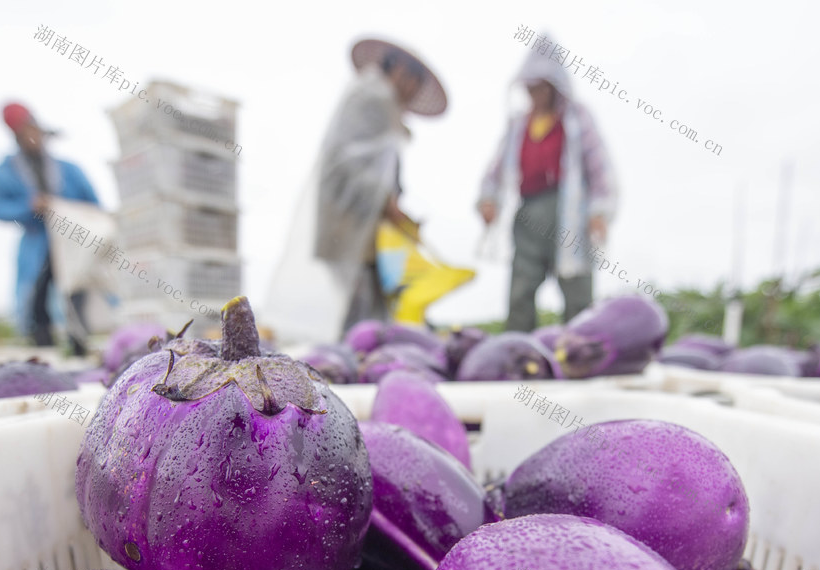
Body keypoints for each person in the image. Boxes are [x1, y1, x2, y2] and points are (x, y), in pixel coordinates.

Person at [262, 38, 447, 344]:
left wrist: (392, 205)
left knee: (374, 304)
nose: (413, 89)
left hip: (369, 227)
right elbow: (345, 162)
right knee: (357, 303)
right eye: (414, 79)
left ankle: (363, 362)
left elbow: (379, 168)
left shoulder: (383, 107)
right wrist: (386, 202)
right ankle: (354, 364)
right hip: (349, 223)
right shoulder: (371, 97)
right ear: (400, 70)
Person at [477, 40, 617, 333]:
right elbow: (496, 169)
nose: (535, 94)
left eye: (541, 87)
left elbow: (599, 166)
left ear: (554, 87)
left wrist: (599, 212)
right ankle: (519, 352)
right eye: (530, 88)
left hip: (568, 213)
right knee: (521, 289)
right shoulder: (519, 125)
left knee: (576, 287)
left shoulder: (576, 118)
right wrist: (488, 199)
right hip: (528, 212)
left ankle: (579, 351)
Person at [0, 103, 101, 353]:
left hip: (72, 242)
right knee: (37, 298)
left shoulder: (69, 170)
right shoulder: (6, 172)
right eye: (24, 132)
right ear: (17, 137)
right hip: (37, 244)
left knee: (76, 291)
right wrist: (28, 207)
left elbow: (94, 206)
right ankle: (44, 348)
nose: (32, 137)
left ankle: (79, 346)